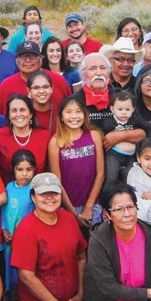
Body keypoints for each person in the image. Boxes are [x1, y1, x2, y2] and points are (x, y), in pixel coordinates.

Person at [10, 173, 91, 301]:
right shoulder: (26, 228)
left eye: (54, 193)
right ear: (33, 197)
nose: (49, 198)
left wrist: (80, 293)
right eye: (43, 194)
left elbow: (81, 256)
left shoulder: (69, 220)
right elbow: (26, 276)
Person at [48, 97, 103, 228]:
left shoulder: (94, 136)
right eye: (68, 112)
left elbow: (100, 173)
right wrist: (73, 213)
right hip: (68, 207)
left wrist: (89, 207)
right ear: (61, 116)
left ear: (84, 114)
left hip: (93, 204)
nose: (74, 116)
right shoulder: (55, 142)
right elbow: (57, 181)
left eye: (78, 111)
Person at [0, 93, 50, 182]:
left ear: (31, 114)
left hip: (40, 192)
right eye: (14, 110)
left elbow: (51, 170)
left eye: (22, 110)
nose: (18, 114)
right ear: (9, 115)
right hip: (8, 192)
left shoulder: (45, 136)